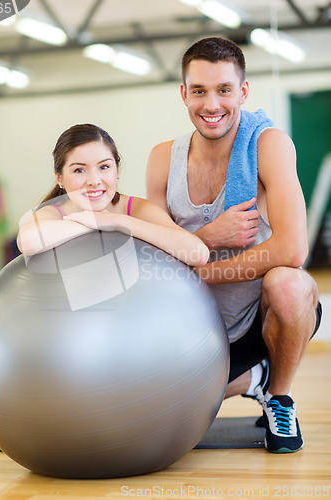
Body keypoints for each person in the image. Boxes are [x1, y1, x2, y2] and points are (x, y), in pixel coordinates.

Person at [146, 37, 322, 454]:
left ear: (242, 92)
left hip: (255, 320)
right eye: (200, 90)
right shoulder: (161, 159)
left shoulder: (269, 145)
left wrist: (199, 270)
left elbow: (293, 250)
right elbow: (153, 252)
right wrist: (209, 238)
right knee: (152, 411)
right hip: (192, 328)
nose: (212, 104)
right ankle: (255, 379)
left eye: (224, 90)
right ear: (184, 94)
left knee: (289, 283)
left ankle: (278, 395)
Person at [17, 123, 209, 271]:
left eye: (104, 167)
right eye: (79, 170)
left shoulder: (136, 209)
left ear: (117, 170)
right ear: (59, 178)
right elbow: (28, 241)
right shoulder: (53, 212)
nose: (94, 180)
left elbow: (198, 254)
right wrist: (93, 221)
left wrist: (116, 221)